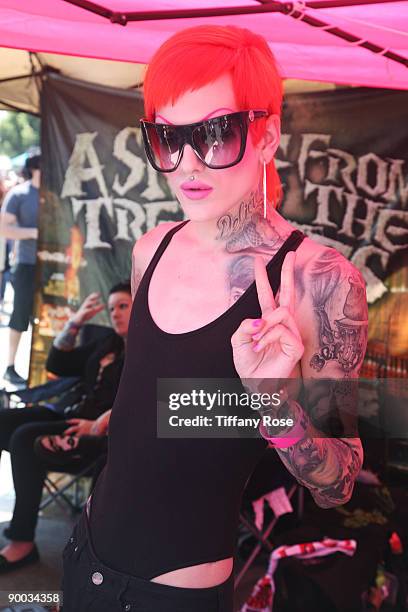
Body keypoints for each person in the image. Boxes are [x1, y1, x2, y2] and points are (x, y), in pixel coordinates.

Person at [61, 26, 367, 612]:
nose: (187, 163)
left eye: (217, 133)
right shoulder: (152, 247)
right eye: (168, 138)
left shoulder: (320, 280)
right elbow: (150, 405)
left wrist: (269, 405)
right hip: (82, 557)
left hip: (173, 594)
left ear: (268, 135)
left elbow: (339, 482)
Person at [0, 281, 132, 573]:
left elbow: (150, 397)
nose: (116, 314)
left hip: (107, 435)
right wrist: (75, 323)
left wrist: (104, 421)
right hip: (72, 415)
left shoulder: (150, 351)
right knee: (4, 421)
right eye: (111, 309)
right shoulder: (107, 343)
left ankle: (22, 543)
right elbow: (59, 363)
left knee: (24, 439)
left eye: (123, 306)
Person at [0, 152, 41, 385]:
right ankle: (9, 365)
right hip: (26, 263)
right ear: (36, 167)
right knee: (20, 314)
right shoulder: (19, 194)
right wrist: (32, 233)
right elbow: (4, 229)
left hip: (53, 264)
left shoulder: (54, 194)